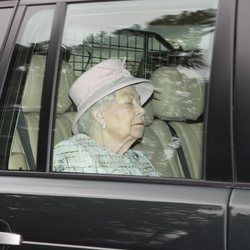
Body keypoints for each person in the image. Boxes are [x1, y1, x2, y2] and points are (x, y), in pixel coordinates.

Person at [53, 58, 159, 176]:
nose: (142, 110)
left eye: (139, 102)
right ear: (99, 115)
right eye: (129, 102)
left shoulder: (139, 160)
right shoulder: (73, 155)